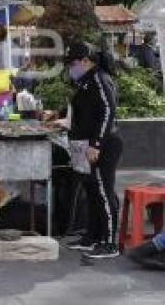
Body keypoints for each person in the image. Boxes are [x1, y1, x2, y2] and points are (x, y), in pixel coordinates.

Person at [64, 42, 122, 259]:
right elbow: (84, 110)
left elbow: (107, 112)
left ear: (86, 61)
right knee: (91, 191)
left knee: (103, 192)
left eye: (74, 63)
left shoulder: (99, 80)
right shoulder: (85, 82)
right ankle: (92, 236)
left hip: (103, 145)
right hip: (85, 145)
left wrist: (96, 144)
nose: (72, 68)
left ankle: (109, 243)